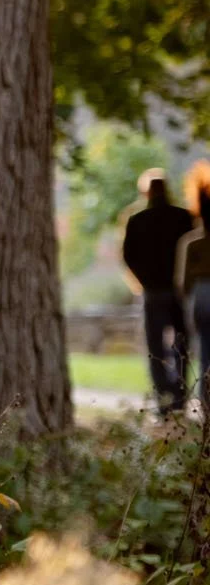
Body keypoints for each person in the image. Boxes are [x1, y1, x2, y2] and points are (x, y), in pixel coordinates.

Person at [123, 170, 197, 415]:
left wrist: (144, 280)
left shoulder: (137, 220)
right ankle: (179, 396)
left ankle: (163, 398)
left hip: (153, 291)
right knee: (181, 345)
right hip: (179, 291)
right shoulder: (183, 217)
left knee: (155, 347)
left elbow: (129, 256)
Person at [175, 162, 210, 408]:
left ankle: (207, 407)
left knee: (205, 353)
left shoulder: (191, 243)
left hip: (201, 294)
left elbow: (183, 281)